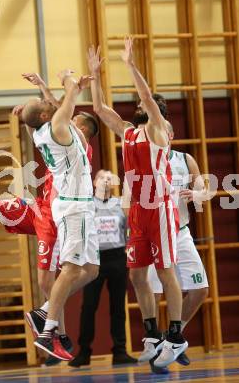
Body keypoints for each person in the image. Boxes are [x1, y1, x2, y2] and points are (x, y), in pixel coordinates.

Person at [0, 75, 99, 364]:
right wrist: (62, 87)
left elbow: (57, 109)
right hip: (55, 210)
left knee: (57, 277)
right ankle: (51, 329)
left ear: (82, 128)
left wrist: (38, 97)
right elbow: (60, 108)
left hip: (52, 210)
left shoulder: (62, 136)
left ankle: (48, 319)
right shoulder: (62, 133)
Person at [87, 40, 188, 368]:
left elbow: (146, 96)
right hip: (137, 213)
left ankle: (175, 336)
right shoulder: (130, 132)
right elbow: (101, 111)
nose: (146, 103)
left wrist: (130, 64)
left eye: (153, 103)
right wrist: (95, 76)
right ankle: (152, 334)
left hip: (159, 208)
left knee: (165, 270)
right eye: (147, 103)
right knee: (138, 276)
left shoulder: (159, 131)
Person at [21, 69, 99, 360]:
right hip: (73, 205)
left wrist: (43, 86)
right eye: (44, 107)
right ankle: (47, 331)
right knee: (70, 269)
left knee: (91, 270)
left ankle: (44, 309)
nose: (49, 106)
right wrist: (70, 79)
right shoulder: (57, 126)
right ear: (45, 117)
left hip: (80, 203)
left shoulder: (45, 129)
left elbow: (57, 106)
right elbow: (66, 100)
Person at [148, 135, 209, 367]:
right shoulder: (147, 160)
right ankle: (155, 344)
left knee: (200, 290)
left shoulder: (185, 159)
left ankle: (173, 336)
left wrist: (196, 195)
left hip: (181, 231)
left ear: (169, 136)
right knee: (153, 292)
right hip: (155, 232)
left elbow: (205, 190)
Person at [69, 169, 137, 367]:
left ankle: (120, 351)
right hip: (94, 260)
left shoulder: (120, 204)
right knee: (88, 306)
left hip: (117, 258)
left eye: (109, 177)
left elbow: (130, 230)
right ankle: (83, 352)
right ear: (94, 182)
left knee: (118, 308)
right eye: (102, 177)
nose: (106, 180)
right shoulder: (88, 204)